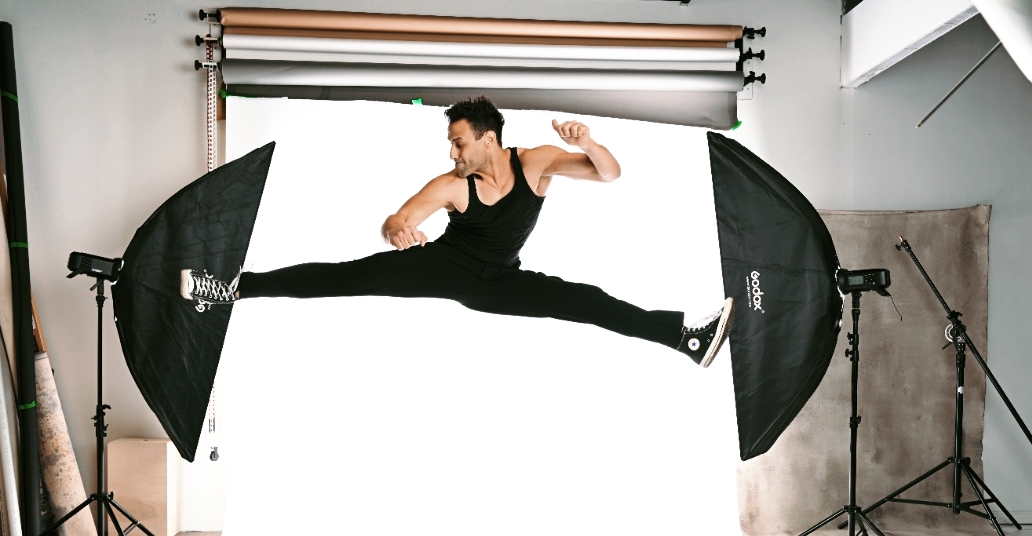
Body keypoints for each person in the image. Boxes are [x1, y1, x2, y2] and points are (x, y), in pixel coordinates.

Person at [181, 96, 733, 367]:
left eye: (459, 141)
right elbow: (399, 219)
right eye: (451, 143)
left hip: (499, 282)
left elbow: (609, 173)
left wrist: (586, 141)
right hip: (441, 266)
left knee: (589, 302)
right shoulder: (452, 185)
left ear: (488, 139)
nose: (452, 151)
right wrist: (398, 233)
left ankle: (685, 338)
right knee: (341, 277)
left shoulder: (536, 162)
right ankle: (227, 288)